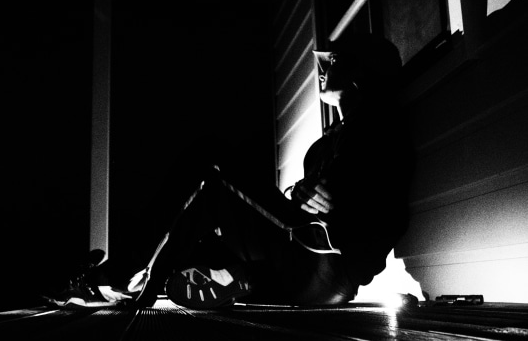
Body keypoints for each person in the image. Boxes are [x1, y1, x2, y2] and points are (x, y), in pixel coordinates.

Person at [47, 33, 414, 310]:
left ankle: (121, 275)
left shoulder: (384, 131)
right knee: (210, 195)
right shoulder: (327, 143)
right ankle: (152, 278)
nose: (323, 69)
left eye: (333, 60)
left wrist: (343, 205)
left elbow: (389, 214)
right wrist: (301, 196)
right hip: (298, 258)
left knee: (211, 155)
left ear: (359, 73)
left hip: (327, 267)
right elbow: (304, 203)